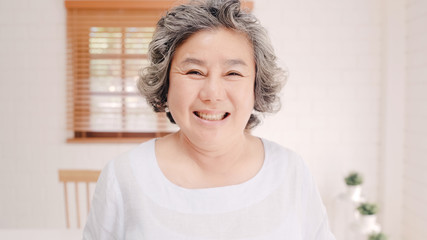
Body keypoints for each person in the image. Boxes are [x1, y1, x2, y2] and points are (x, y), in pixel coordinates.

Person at [83, 0, 336, 239]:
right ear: (166, 82)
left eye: (233, 73)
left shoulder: (291, 172)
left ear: (256, 87)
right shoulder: (125, 176)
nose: (212, 93)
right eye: (194, 71)